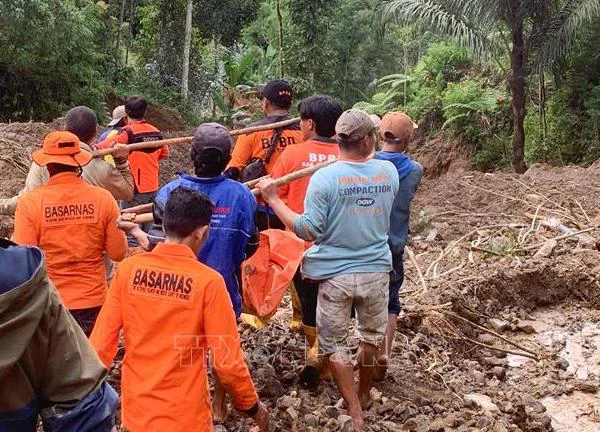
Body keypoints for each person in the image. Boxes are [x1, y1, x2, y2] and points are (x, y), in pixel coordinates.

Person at [257, 109, 399, 431]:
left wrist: (274, 199)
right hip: (376, 271)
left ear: (338, 139)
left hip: (335, 276)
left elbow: (308, 230)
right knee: (371, 339)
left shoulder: (325, 178)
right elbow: (372, 160)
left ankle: (353, 408)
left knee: (334, 345)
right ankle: (363, 393)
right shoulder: (389, 173)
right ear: (367, 139)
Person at [90, 187, 269, 432]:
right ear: (202, 233)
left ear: (163, 226)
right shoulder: (208, 282)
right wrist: (252, 407)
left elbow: (100, 346)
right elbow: (226, 362)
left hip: (137, 413)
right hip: (186, 417)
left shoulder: (129, 271)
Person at [12, 131, 128, 336]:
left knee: (55, 365)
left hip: (49, 302)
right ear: (79, 163)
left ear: (47, 166)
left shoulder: (30, 204)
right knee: (88, 363)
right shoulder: (104, 199)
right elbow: (118, 253)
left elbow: (24, 263)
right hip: (93, 302)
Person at [0, 239, 119, 431]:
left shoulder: (31, 207)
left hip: (40, 305)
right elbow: (117, 251)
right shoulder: (20, 275)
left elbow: (24, 239)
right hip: (43, 307)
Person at [149, 123, 259, 318]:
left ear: (192, 154)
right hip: (222, 296)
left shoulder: (169, 192)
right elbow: (251, 243)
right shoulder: (242, 195)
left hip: (175, 298)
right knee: (218, 346)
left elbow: (155, 245)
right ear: (228, 159)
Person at [270, 94, 343, 386]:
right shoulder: (348, 156)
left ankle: (317, 358)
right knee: (336, 303)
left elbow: (275, 198)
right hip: (341, 247)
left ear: (309, 123)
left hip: (302, 248)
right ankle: (326, 354)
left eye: (301, 119)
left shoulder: (291, 156)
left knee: (311, 303)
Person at [0, 106, 134, 215]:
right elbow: (128, 192)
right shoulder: (103, 169)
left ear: (64, 130)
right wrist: (121, 161)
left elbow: (24, 201)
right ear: (94, 133)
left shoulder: (43, 162)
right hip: (88, 242)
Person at [373, 112, 423, 381]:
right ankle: (385, 352)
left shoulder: (367, 165)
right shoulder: (415, 170)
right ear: (408, 140)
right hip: (393, 247)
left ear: (381, 135)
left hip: (366, 245)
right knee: (391, 303)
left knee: (365, 302)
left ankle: (365, 351)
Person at [224, 80, 303, 230]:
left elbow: (234, 169)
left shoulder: (251, 132)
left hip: (262, 207)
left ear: (265, 103)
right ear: (290, 104)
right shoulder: (303, 131)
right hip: (296, 210)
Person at [96, 96, 168, 211]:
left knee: (129, 222)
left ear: (127, 113)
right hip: (152, 185)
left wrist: (91, 148)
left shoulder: (128, 133)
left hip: (134, 188)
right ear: (145, 112)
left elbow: (106, 145)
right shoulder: (156, 132)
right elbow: (164, 153)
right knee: (149, 221)